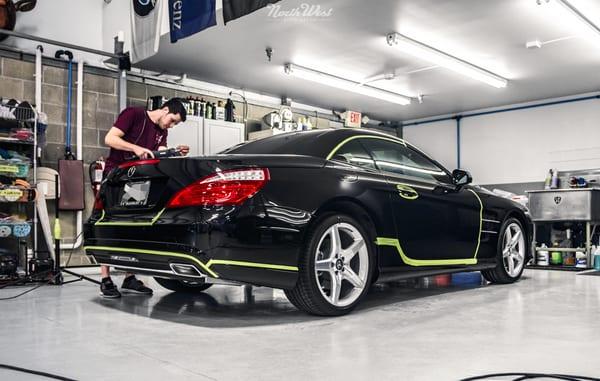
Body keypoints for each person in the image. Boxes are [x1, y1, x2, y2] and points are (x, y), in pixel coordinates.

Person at [99, 98, 189, 298]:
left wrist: (175, 152)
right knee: (109, 224)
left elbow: (161, 152)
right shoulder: (134, 114)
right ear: (164, 110)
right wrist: (135, 148)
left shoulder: (162, 131)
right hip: (116, 177)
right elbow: (110, 138)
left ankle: (129, 278)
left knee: (133, 227)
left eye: (175, 124)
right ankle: (105, 278)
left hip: (138, 181)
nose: (171, 126)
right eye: (172, 120)